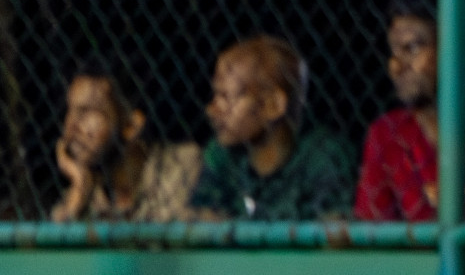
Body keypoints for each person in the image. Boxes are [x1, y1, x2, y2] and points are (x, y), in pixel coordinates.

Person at [355, 0, 465, 220]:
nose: (396, 66)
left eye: (412, 48)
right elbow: (372, 229)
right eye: (393, 51)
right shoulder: (387, 134)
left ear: (458, 48)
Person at [190, 35, 353, 220]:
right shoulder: (222, 154)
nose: (211, 110)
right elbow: (203, 220)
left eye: (225, 97)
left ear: (272, 105)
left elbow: (334, 226)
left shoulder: (321, 154)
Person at [51, 58, 201, 222]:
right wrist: (78, 192)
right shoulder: (83, 188)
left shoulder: (179, 164)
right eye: (69, 111)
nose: (71, 125)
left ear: (131, 126)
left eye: (87, 111)